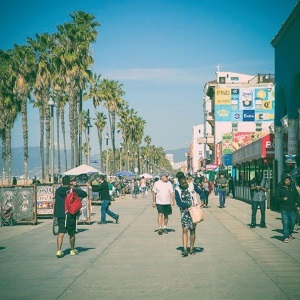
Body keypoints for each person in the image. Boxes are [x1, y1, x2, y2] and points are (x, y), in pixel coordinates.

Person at [53, 176, 89, 258]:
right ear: (69, 182)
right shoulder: (72, 190)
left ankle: (59, 251)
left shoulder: (58, 190)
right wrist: (74, 189)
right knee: (72, 233)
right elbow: (84, 194)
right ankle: (72, 250)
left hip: (61, 214)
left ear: (62, 182)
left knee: (60, 233)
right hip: (70, 214)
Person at [175, 171, 204, 257]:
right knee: (184, 230)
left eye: (185, 182)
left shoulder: (192, 185)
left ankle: (191, 249)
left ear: (186, 180)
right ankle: (184, 249)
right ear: (179, 183)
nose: (184, 184)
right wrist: (187, 206)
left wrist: (202, 200)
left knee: (192, 230)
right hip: (184, 212)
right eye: (182, 183)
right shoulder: (177, 189)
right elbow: (178, 202)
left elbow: (201, 192)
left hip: (193, 212)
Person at [275, 173, 300, 243]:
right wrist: (283, 199)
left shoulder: (293, 187)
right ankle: (285, 236)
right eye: (286, 180)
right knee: (286, 222)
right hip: (284, 209)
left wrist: (298, 205)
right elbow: (276, 198)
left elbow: (297, 197)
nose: (288, 182)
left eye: (288, 180)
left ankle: (290, 233)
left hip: (292, 208)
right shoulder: (280, 188)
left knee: (292, 222)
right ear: (283, 181)